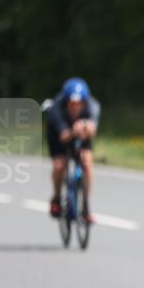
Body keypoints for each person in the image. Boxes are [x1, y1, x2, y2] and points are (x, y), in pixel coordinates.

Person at [46, 78, 100, 221]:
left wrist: (88, 129)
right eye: (72, 104)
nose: (76, 107)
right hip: (60, 136)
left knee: (87, 161)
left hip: (81, 134)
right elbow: (63, 137)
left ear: (84, 102)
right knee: (60, 165)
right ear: (66, 102)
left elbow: (93, 130)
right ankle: (56, 198)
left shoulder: (92, 106)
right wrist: (74, 132)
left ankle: (86, 207)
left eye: (79, 104)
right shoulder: (56, 108)